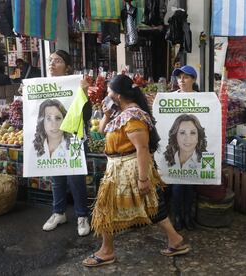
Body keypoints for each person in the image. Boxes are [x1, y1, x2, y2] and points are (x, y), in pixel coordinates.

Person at [82, 75, 189, 267]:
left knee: (106, 209)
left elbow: (142, 148)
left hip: (129, 169)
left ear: (118, 95)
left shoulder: (133, 116)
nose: (107, 95)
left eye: (109, 92)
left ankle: (106, 251)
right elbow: (101, 129)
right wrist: (106, 114)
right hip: (118, 168)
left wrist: (143, 178)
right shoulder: (119, 113)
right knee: (152, 206)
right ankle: (176, 240)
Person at [41, 50, 91, 236]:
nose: (52, 64)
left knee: (75, 178)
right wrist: (27, 96)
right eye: (50, 61)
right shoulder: (43, 86)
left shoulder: (76, 85)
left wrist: (84, 95)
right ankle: (58, 212)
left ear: (67, 66)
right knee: (56, 177)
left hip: (74, 138)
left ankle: (81, 215)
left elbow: (86, 116)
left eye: (58, 61)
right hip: (53, 137)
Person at [168, 65, 199, 231]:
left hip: (192, 146)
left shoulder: (202, 98)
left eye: (186, 77)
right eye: (179, 77)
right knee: (178, 184)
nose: (181, 80)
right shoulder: (170, 98)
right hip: (176, 147)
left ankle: (188, 215)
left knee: (190, 184)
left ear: (193, 80)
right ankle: (178, 216)